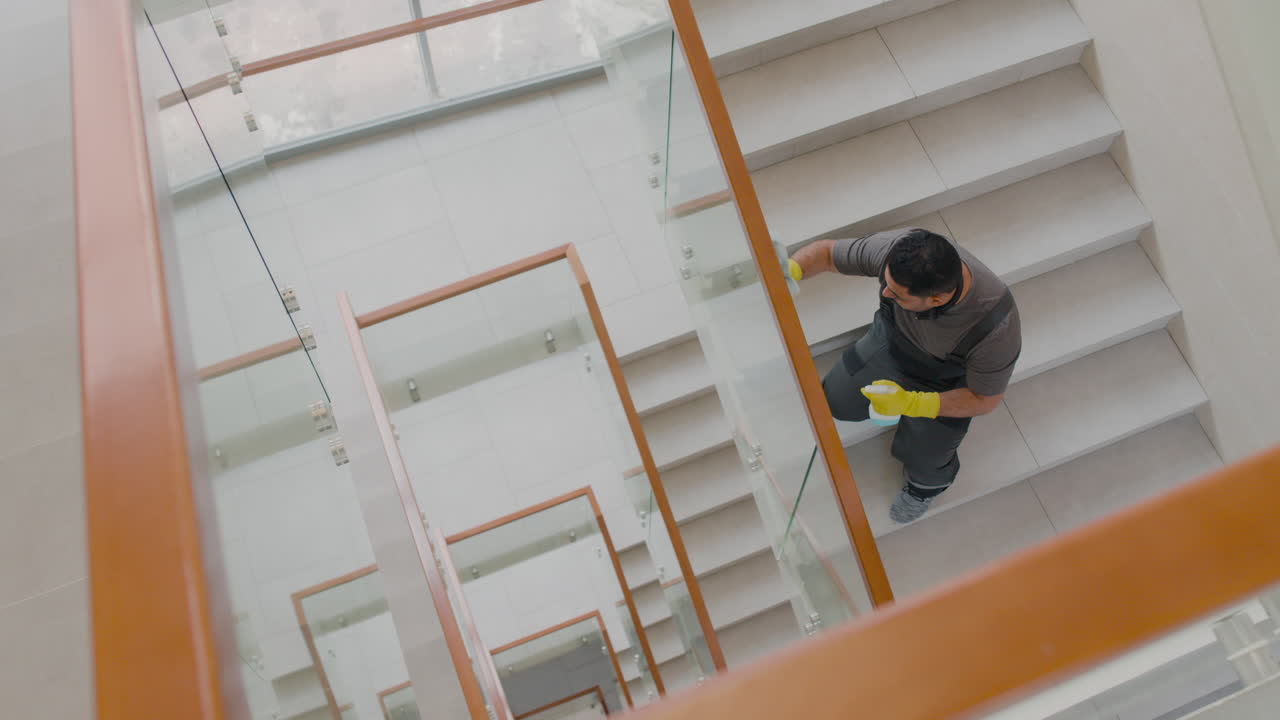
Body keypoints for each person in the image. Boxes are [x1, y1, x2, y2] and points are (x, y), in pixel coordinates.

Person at [788, 228, 1021, 523]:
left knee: (927, 459)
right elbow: (826, 254)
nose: (884, 292)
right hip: (893, 345)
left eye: (895, 294)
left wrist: (912, 404)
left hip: (947, 383)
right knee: (835, 401)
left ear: (936, 300)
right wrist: (791, 271)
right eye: (887, 283)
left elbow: (984, 399)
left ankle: (926, 488)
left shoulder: (995, 328)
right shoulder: (898, 250)